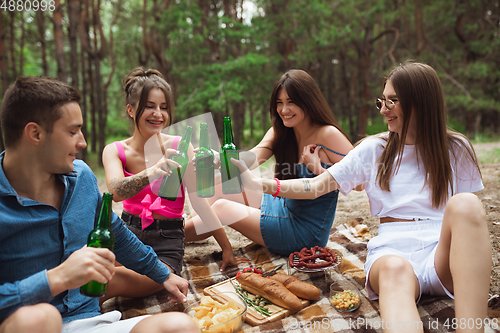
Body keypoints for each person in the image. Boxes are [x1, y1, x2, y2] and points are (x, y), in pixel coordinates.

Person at [233, 62, 491, 332]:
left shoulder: (457, 148)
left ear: (420, 102)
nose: (383, 109)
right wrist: (258, 183)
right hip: (394, 251)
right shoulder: (373, 148)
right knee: (394, 268)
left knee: (467, 204)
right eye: (382, 100)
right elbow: (316, 187)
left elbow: (466, 226)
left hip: (443, 254)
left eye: (392, 101)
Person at [0, 76, 200, 333]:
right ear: (35, 133)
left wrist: (164, 275)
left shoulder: (81, 177)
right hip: (25, 325)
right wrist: (56, 279)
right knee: (41, 318)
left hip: (88, 323)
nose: (82, 142)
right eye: (73, 132)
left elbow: (116, 232)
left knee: (180, 325)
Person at [101, 68, 248, 302]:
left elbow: (199, 202)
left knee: (112, 281)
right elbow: (116, 191)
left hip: (167, 242)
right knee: (94, 271)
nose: (158, 114)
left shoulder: (181, 146)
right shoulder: (115, 150)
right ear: (130, 110)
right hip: (128, 236)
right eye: (149, 106)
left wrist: (227, 248)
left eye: (164, 107)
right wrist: (151, 171)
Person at [186, 69, 357, 256]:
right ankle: (183, 226)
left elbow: (360, 184)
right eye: (279, 103)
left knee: (221, 208)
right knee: (223, 188)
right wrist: (220, 158)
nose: (284, 110)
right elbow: (252, 157)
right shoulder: (281, 131)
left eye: (291, 102)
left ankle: (172, 236)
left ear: (308, 101)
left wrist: (317, 169)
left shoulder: (328, 135)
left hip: (304, 233)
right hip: (282, 206)